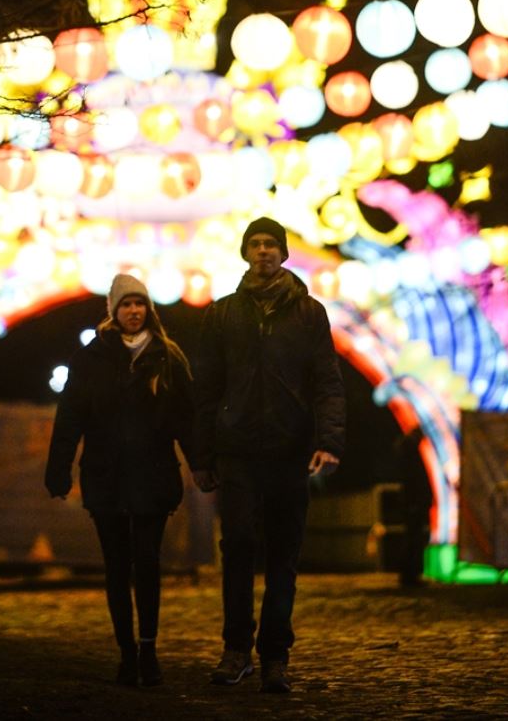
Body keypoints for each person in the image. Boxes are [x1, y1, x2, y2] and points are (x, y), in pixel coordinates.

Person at [190, 217, 346, 694]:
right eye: (255, 244)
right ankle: (236, 649)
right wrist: (201, 454)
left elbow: (327, 381)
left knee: (283, 557)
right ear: (245, 253)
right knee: (236, 548)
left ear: (282, 253)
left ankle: (275, 655)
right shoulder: (221, 314)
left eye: (271, 244)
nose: (263, 252)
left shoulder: (308, 313)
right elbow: (205, 389)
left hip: (288, 450)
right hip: (237, 450)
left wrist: (329, 441)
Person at [45, 273, 194, 687]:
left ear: (149, 310)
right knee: (116, 566)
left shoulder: (167, 356)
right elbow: (71, 416)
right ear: (114, 310)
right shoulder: (91, 358)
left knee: (146, 562)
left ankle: (148, 649)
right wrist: (58, 468)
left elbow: (186, 416)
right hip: (106, 475)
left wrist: (202, 462)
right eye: (126, 305)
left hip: (153, 474)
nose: (133, 312)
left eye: (140, 304)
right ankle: (127, 652)